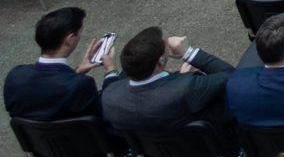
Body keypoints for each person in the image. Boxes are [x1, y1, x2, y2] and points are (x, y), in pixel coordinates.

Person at [101, 24, 237, 135]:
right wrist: (188, 52)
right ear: (160, 61)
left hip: (159, 153)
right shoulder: (188, 86)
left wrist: (110, 69)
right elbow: (231, 76)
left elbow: (113, 87)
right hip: (210, 146)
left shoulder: (109, 97)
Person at [2, 4, 106, 121]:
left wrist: (77, 71)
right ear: (70, 39)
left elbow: (49, 91)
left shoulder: (15, 77)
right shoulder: (81, 85)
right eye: (79, 34)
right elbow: (106, 115)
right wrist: (111, 73)